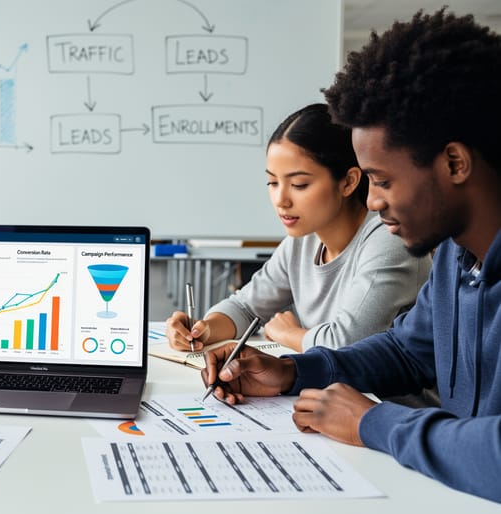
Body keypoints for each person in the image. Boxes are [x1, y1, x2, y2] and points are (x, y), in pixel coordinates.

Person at [201, 9, 501, 503]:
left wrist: (373, 422)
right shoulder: (454, 253)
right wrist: (295, 373)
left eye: (382, 180)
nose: (375, 202)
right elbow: (408, 350)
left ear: (454, 163)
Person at [167, 103, 430, 353]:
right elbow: (246, 307)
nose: (281, 200)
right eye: (272, 183)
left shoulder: (389, 240)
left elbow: (346, 343)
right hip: (322, 393)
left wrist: (290, 334)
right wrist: (204, 330)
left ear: (349, 182)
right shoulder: (303, 240)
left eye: (299, 184)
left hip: (378, 400)